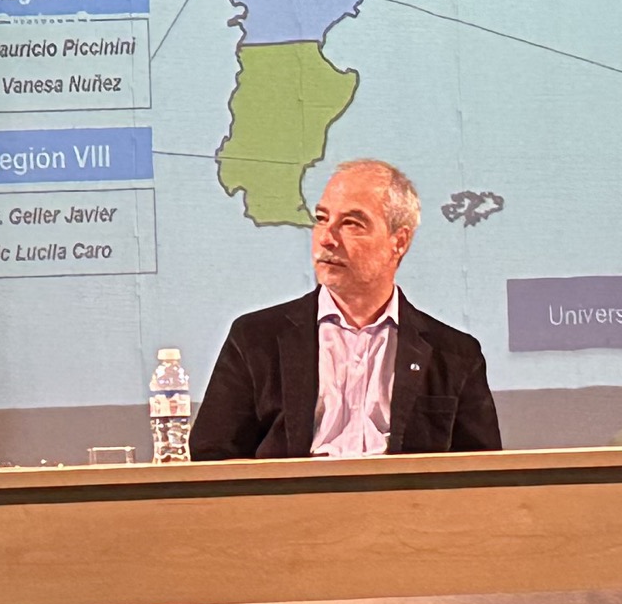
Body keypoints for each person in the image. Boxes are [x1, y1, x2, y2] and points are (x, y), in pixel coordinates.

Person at [190, 159, 500, 460]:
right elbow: (212, 456)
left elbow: (483, 473)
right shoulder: (256, 339)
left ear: (399, 241)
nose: (326, 239)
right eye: (322, 218)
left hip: (402, 496)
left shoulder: (455, 355)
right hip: (294, 495)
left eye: (351, 223)